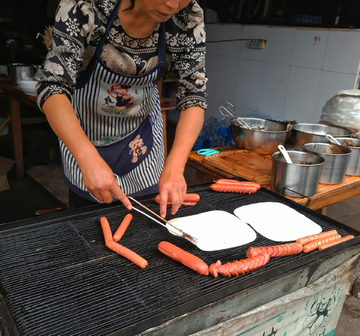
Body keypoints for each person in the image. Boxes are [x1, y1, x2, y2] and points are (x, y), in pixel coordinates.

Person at [36, 0, 207, 218]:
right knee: (90, 226)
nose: (172, 4)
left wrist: (175, 165)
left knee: (145, 225)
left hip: (141, 140)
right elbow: (53, 87)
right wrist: (87, 158)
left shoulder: (188, 15)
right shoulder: (83, 6)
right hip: (84, 137)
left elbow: (194, 95)